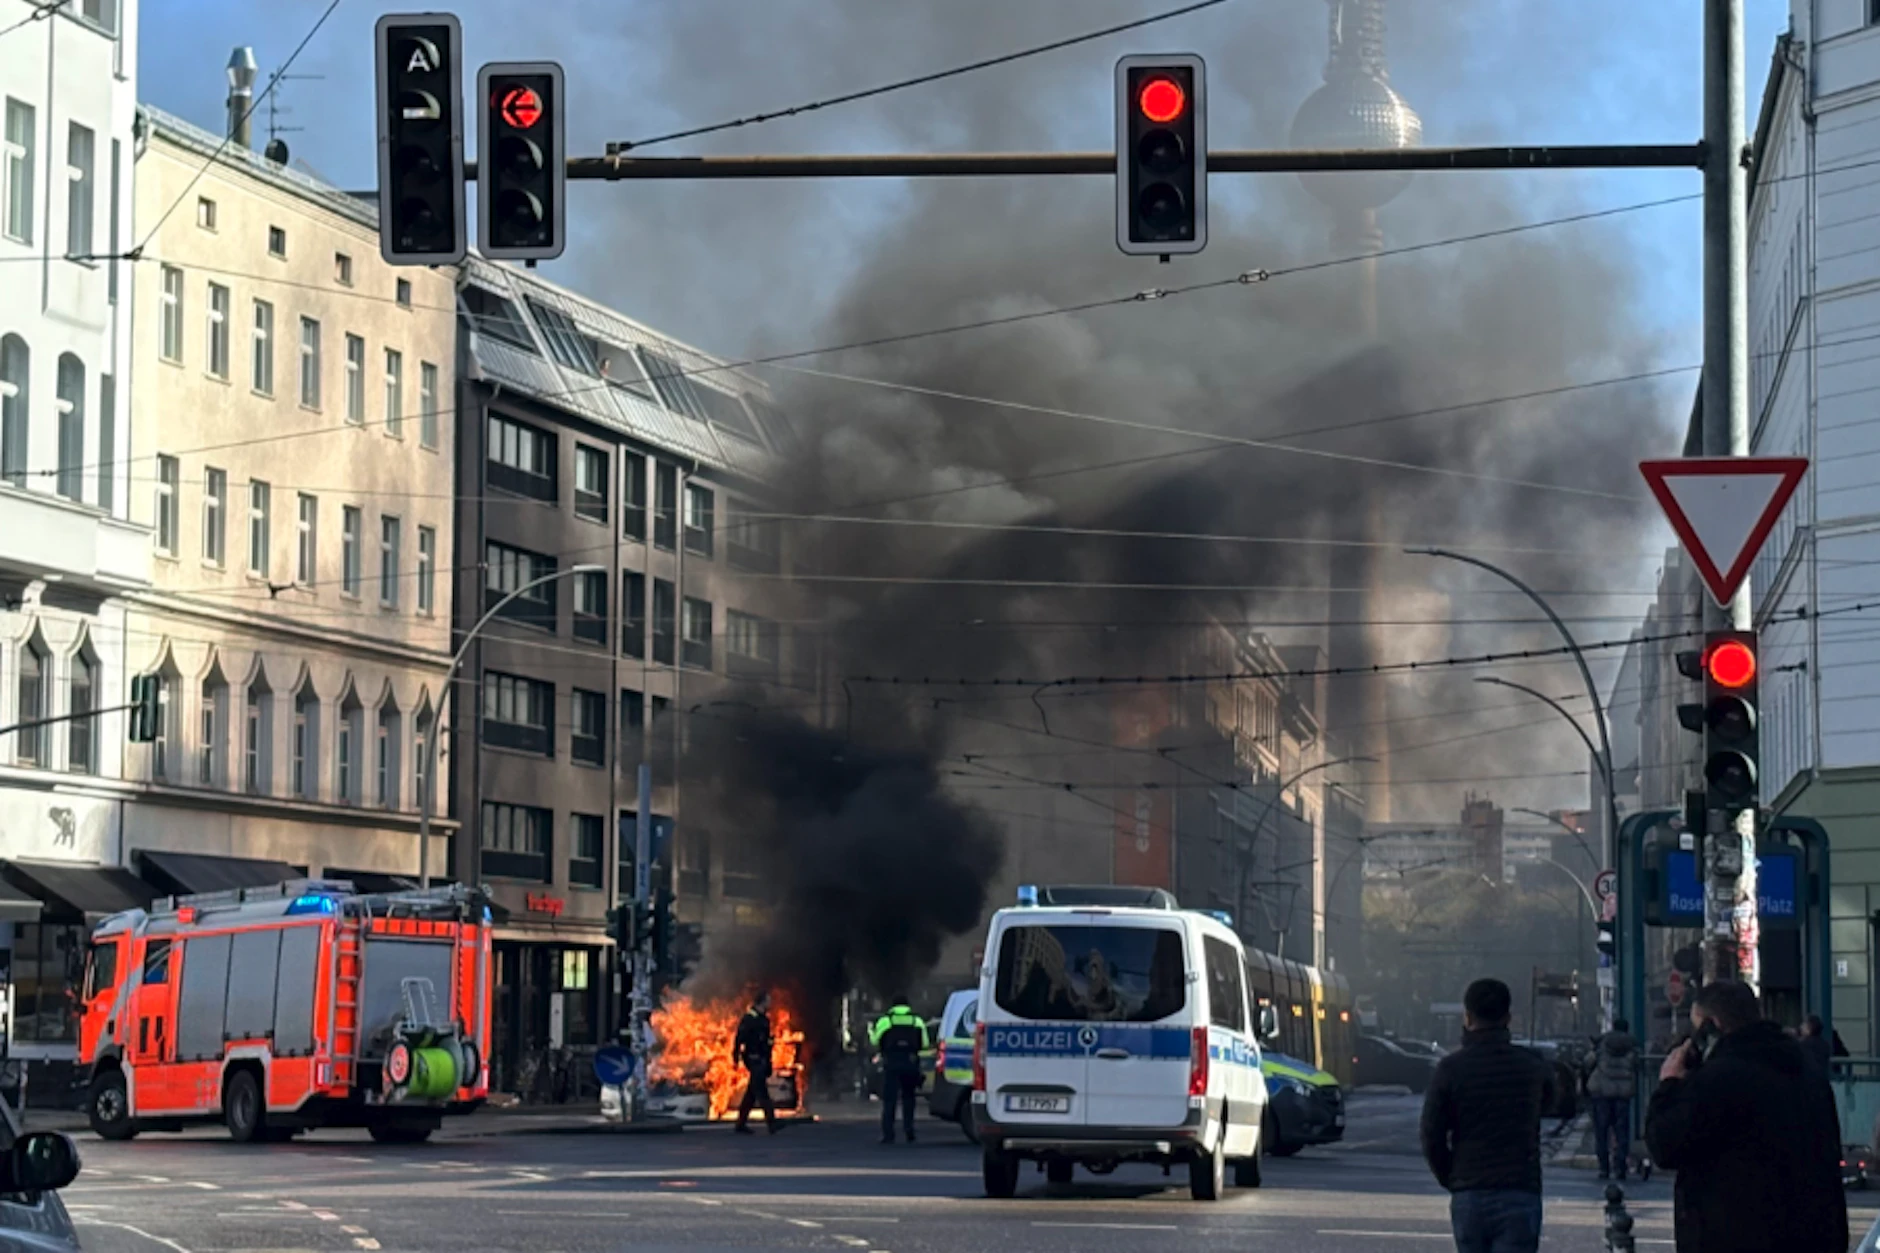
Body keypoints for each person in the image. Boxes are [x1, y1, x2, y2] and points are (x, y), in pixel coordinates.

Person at [1644, 980, 1845, 1253]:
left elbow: (1664, 1144)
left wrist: (1669, 1084)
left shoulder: (1720, 1079)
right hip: (1812, 1236)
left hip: (1735, 1234)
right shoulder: (1804, 1068)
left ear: (1712, 1026)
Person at [1419, 978, 1556, 1253]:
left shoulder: (1450, 1069)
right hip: (1520, 1187)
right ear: (1508, 1018)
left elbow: (1431, 1135)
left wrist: (1453, 1177)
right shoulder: (1532, 1066)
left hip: (1470, 1190)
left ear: (1467, 1017)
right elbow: (1552, 1106)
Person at [1583, 1018, 1638, 1182]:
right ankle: (1620, 1167)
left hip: (1602, 1093)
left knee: (1601, 1132)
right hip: (1622, 1094)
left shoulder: (1602, 1044)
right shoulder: (1632, 1045)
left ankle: (1603, 1168)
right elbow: (1636, 1065)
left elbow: (1588, 1062)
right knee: (1622, 1132)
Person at [870, 994, 930, 1145]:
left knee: (889, 1100)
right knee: (909, 1099)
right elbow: (925, 1043)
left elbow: (875, 1041)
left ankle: (888, 1134)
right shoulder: (917, 1021)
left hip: (891, 1064)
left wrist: (871, 1031)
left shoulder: (886, 1021)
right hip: (910, 1064)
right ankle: (909, 1132)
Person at [733, 990, 778, 1135]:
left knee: (752, 1093)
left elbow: (766, 1042)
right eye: (768, 1000)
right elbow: (739, 1038)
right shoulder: (749, 1018)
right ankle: (772, 1123)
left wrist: (769, 1058)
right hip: (753, 1058)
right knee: (762, 1091)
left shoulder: (764, 1019)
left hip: (762, 1058)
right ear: (761, 1001)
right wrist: (735, 1055)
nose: (770, 1003)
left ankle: (741, 1124)